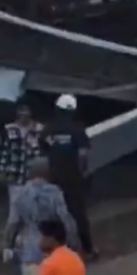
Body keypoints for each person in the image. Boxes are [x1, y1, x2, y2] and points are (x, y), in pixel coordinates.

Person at [5, 158, 81, 275]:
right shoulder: (54, 192)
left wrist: (8, 246)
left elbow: (12, 223)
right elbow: (66, 219)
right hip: (54, 250)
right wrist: (73, 242)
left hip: (30, 251)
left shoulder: (20, 195)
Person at [43, 94, 98, 260]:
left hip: (53, 178)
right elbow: (83, 154)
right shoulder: (77, 129)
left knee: (54, 214)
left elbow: (43, 152)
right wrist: (84, 171)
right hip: (73, 178)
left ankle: (56, 249)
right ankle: (87, 248)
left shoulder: (48, 129)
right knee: (79, 214)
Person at [0, 103, 43, 197]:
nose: (24, 116)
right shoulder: (9, 129)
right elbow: (5, 151)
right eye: (21, 113)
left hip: (32, 174)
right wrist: (3, 171)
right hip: (13, 172)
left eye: (26, 113)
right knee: (15, 204)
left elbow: (43, 152)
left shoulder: (39, 129)